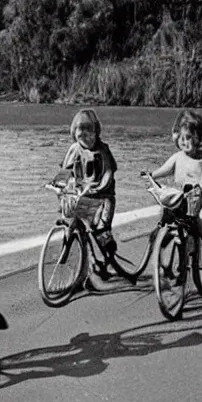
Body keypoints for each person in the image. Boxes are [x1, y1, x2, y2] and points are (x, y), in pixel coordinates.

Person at [150, 109, 202, 274]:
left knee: (201, 220)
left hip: (198, 200)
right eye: (182, 138)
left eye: (190, 138)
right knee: (167, 211)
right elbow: (164, 170)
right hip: (182, 199)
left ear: (198, 138)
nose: (185, 142)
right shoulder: (177, 157)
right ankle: (162, 238)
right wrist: (151, 175)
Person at [61, 108, 118, 284]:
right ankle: (84, 265)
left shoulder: (102, 150)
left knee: (100, 230)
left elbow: (108, 172)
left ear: (96, 132)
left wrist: (99, 186)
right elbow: (65, 171)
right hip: (82, 195)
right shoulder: (74, 150)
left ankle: (108, 256)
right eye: (80, 133)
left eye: (89, 132)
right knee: (70, 219)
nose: (85, 137)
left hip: (102, 196)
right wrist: (60, 184)